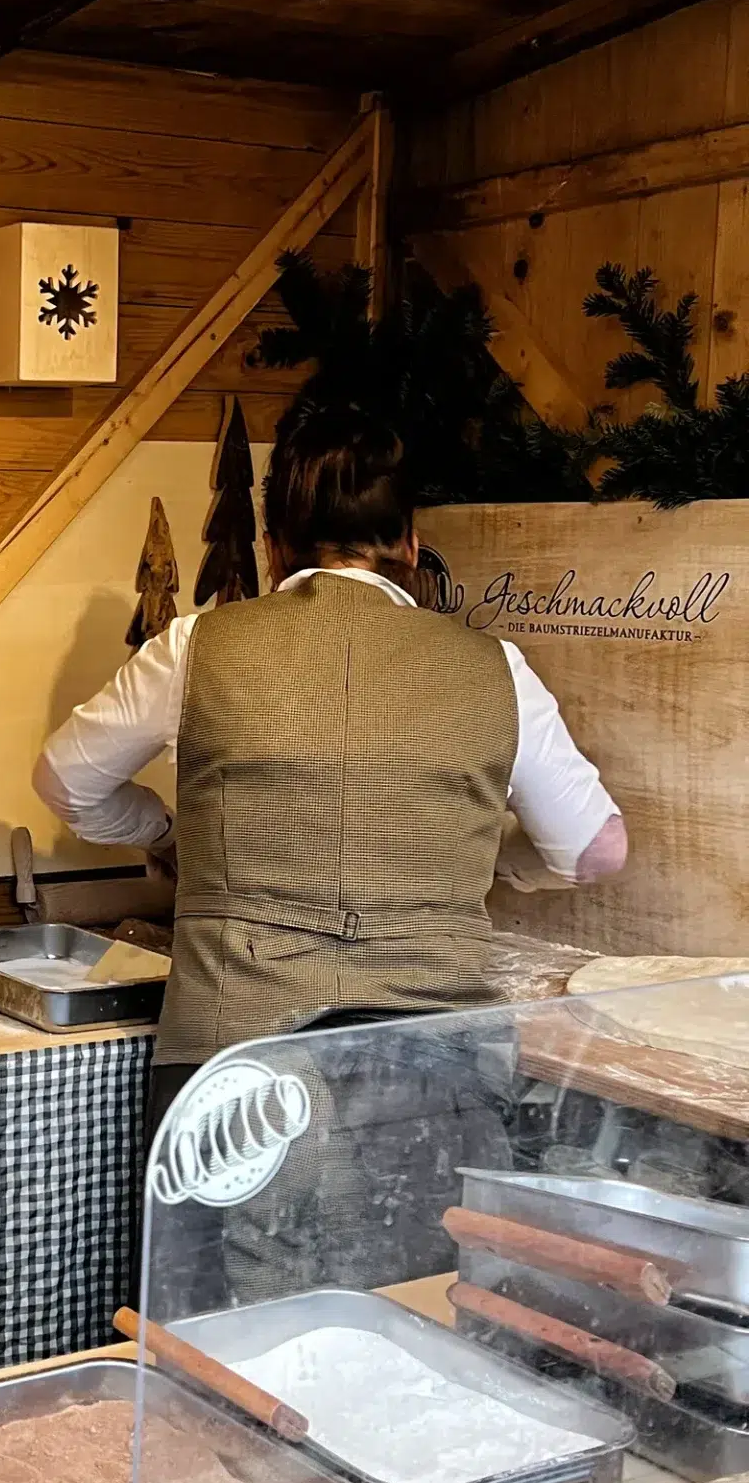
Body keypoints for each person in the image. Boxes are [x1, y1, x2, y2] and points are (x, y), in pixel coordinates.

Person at [36, 402, 626, 1142]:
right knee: (426, 1256)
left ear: (276, 545)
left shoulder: (196, 647)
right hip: (434, 1058)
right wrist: (491, 857)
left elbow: (66, 780)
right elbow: (597, 850)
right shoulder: (496, 667)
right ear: (410, 542)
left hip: (241, 1058)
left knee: (229, 1260)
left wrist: (166, 833)